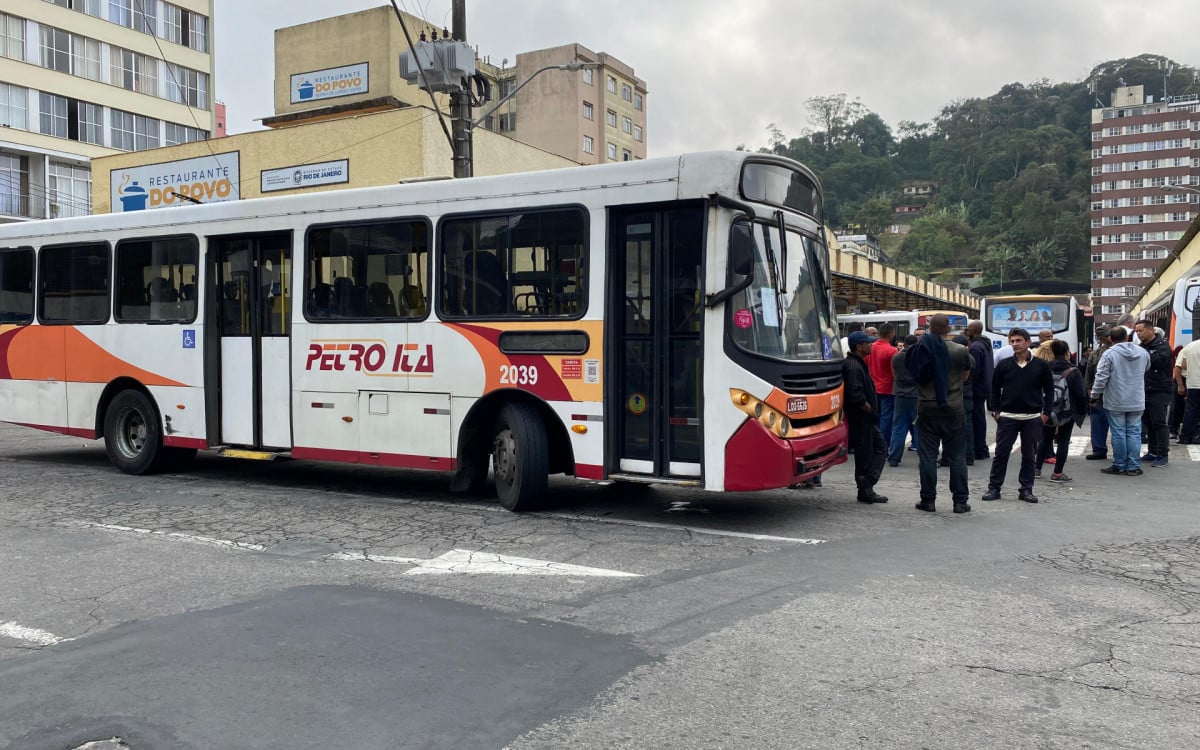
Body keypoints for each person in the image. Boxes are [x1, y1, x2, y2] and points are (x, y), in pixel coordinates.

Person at [982, 328, 1053, 503]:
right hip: (1008, 416)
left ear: (1028, 342)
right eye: (1012, 341)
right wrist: (996, 411)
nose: (1015, 344)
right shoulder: (1004, 365)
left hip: (1032, 417)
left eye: (1018, 340)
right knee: (1001, 454)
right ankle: (994, 488)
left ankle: (1026, 489)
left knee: (1029, 455)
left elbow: (1050, 390)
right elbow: (994, 389)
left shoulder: (1041, 365)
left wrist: (1046, 413)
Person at [912, 316, 973, 513]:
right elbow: (966, 375)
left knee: (928, 457)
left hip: (927, 408)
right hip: (954, 407)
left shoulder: (920, 348)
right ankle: (960, 501)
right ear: (948, 328)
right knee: (956, 456)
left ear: (930, 327)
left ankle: (928, 500)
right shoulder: (960, 350)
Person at [1090, 326, 1150, 476]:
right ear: (1127, 337)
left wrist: (1095, 395)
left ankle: (1120, 464)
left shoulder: (1109, 354)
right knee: (1135, 432)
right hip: (1136, 399)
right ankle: (1134, 466)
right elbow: (1147, 368)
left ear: (1110, 338)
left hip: (1115, 399)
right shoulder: (1142, 352)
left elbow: (1101, 377)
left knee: (1118, 433)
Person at [842, 331, 889, 504]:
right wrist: (866, 406)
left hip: (866, 418)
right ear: (859, 346)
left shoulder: (857, 363)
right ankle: (865, 484)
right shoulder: (853, 366)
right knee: (867, 452)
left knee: (876, 448)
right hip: (861, 418)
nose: (871, 345)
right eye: (867, 343)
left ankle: (866, 484)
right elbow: (855, 393)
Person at [1035, 339, 1087, 482]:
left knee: (1045, 438)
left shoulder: (1045, 367)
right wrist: (1081, 411)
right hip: (1066, 412)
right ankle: (1057, 473)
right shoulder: (1073, 371)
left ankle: (1036, 469)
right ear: (1066, 353)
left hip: (1047, 410)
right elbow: (1081, 395)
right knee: (1063, 441)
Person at [1134, 319, 1173, 467]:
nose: (1138, 334)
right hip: (1145, 389)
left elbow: (1159, 361)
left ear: (1151, 330)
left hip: (1160, 389)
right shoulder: (1141, 346)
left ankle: (1163, 455)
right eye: (1136, 331)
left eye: (1141, 330)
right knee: (1148, 422)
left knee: (1159, 422)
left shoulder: (1162, 346)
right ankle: (1152, 451)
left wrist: (1141, 354)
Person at [888, 334, 919, 466]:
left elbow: (894, 374)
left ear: (904, 344)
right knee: (919, 425)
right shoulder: (919, 357)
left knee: (899, 426)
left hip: (900, 393)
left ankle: (894, 457)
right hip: (916, 394)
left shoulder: (896, 357)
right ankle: (924, 456)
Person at [966, 321, 995, 460]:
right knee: (980, 418)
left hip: (976, 388)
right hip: (984, 387)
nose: (967, 331)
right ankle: (981, 448)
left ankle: (979, 448)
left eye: (969, 329)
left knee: (975, 419)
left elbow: (974, 370)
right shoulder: (986, 344)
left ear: (974, 330)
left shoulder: (975, 348)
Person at [1084, 326, 1113, 460]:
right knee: (1097, 423)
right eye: (1100, 337)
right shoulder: (1095, 354)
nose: (1104, 339)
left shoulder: (1120, 351)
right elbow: (1089, 374)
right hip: (1099, 395)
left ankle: (1121, 452)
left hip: (1115, 394)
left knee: (1118, 427)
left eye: (1105, 336)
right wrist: (1090, 391)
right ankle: (1099, 450)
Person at [866, 323, 898, 447]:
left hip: (873, 387)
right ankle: (883, 444)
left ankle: (873, 441)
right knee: (886, 418)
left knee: (875, 417)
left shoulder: (870, 348)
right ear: (890, 334)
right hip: (887, 389)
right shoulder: (892, 350)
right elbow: (894, 372)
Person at [1175, 336, 1200, 444]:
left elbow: (1179, 366)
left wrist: (1180, 385)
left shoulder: (1189, 347)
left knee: (1190, 411)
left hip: (1193, 384)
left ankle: (1186, 436)